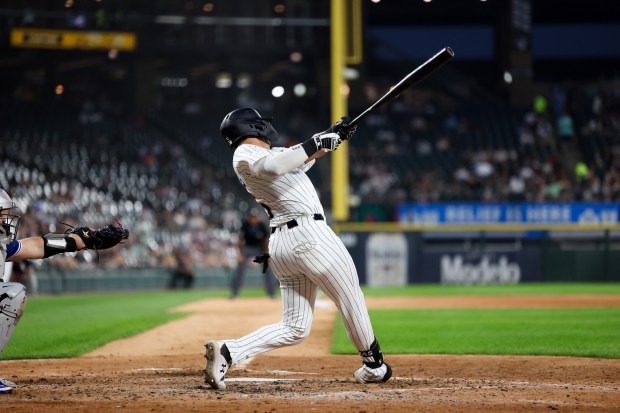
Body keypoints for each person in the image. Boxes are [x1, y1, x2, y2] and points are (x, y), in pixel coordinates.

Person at [204, 108, 392, 390]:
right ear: (253, 127)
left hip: (285, 244)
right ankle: (374, 365)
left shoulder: (267, 155)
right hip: (309, 235)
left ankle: (229, 351)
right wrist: (318, 142)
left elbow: (301, 157)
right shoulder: (246, 154)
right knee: (350, 296)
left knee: (295, 328)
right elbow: (276, 165)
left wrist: (332, 135)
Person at [0, 189, 128, 393]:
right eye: (2, 213)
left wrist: (82, 241)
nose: (6, 219)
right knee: (10, 295)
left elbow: (36, 246)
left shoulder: (2, 245)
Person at [231, 211, 276, 299]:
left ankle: (271, 294)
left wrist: (266, 254)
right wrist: (240, 254)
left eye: (255, 217)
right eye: (252, 217)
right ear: (249, 217)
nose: (253, 219)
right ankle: (234, 293)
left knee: (267, 268)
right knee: (239, 269)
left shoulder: (262, 225)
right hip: (248, 248)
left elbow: (266, 241)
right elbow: (240, 241)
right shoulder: (245, 224)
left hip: (259, 248)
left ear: (257, 217)